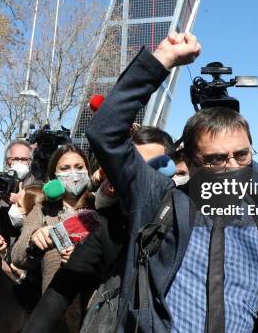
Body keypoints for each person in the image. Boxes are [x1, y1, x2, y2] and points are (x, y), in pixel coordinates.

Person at [86, 32, 258, 332]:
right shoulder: (160, 200)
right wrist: (162, 61)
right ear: (192, 163)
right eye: (217, 159)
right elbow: (105, 132)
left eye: (242, 155)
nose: (233, 167)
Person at [24, 126, 174, 332]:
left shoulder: (185, 216)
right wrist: (35, 242)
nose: (142, 178)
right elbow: (58, 294)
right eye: (134, 168)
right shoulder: (105, 223)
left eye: (152, 169)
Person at [12, 144, 95, 333]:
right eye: (65, 169)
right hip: (55, 315)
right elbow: (17, 256)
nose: (73, 173)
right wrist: (34, 241)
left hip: (94, 313)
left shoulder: (99, 206)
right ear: (54, 176)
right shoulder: (42, 211)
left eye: (79, 167)